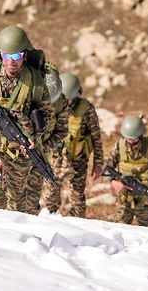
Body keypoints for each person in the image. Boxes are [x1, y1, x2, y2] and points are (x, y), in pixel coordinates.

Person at [0, 25, 65, 214]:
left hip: (18, 146)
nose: (12, 62)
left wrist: (34, 137)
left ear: (24, 55)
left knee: (16, 200)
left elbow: (47, 113)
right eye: (7, 56)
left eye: (17, 56)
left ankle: (10, 234)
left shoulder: (35, 81)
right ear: (1, 55)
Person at [40, 73, 104, 217]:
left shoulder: (86, 109)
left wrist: (98, 163)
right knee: (49, 197)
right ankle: (49, 224)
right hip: (54, 159)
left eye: (69, 98)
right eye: (63, 97)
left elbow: (96, 138)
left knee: (77, 199)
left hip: (78, 161)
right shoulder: (50, 105)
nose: (66, 101)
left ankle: (77, 229)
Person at [106, 115, 148, 227]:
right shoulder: (118, 147)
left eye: (134, 139)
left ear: (141, 135)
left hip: (146, 201)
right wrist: (113, 182)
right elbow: (107, 167)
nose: (131, 142)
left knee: (147, 234)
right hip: (124, 199)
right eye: (128, 138)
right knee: (118, 231)